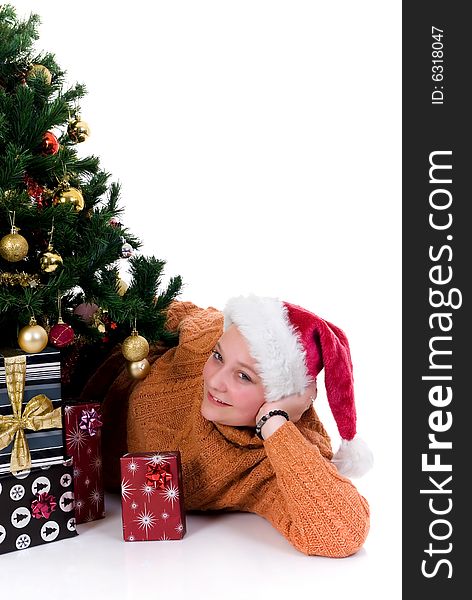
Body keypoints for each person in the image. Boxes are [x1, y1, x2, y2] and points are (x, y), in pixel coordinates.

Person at [83, 294, 372, 557]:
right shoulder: (210, 336)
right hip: (78, 359)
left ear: (282, 396)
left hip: (76, 467)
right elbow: (155, 306)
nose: (216, 381)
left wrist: (273, 423)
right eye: (218, 357)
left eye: (243, 377)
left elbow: (343, 533)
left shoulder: (274, 460)